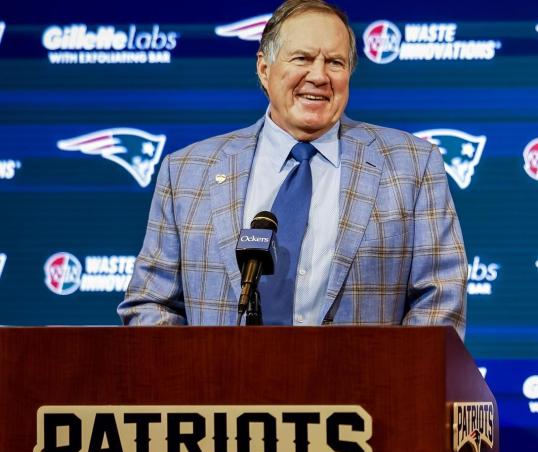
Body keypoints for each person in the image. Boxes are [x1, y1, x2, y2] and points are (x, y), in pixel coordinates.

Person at [118, 0, 467, 336]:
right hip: (221, 379)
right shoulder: (186, 172)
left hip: (361, 379)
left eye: (335, 62)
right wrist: (198, 373)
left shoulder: (412, 165)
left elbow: (440, 297)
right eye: (302, 58)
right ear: (264, 69)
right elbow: (152, 302)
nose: (319, 75)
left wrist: (389, 376)